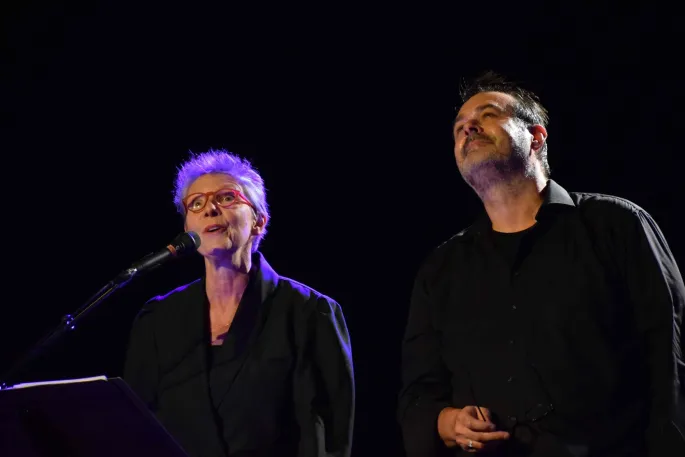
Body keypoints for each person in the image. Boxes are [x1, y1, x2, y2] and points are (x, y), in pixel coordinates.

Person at [397, 71, 684, 456]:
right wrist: (447, 422)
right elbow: (419, 391)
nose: (469, 129)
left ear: (535, 137)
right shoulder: (442, 269)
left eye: (487, 115)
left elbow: (671, 357)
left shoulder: (616, 225)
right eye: (459, 127)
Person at [123, 149, 355, 457]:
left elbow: (329, 440)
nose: (210, 210)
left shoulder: (309, 313)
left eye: (226, 197)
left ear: (259, 221)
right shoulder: (157, 320)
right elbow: (135, 432)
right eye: (196, 203)